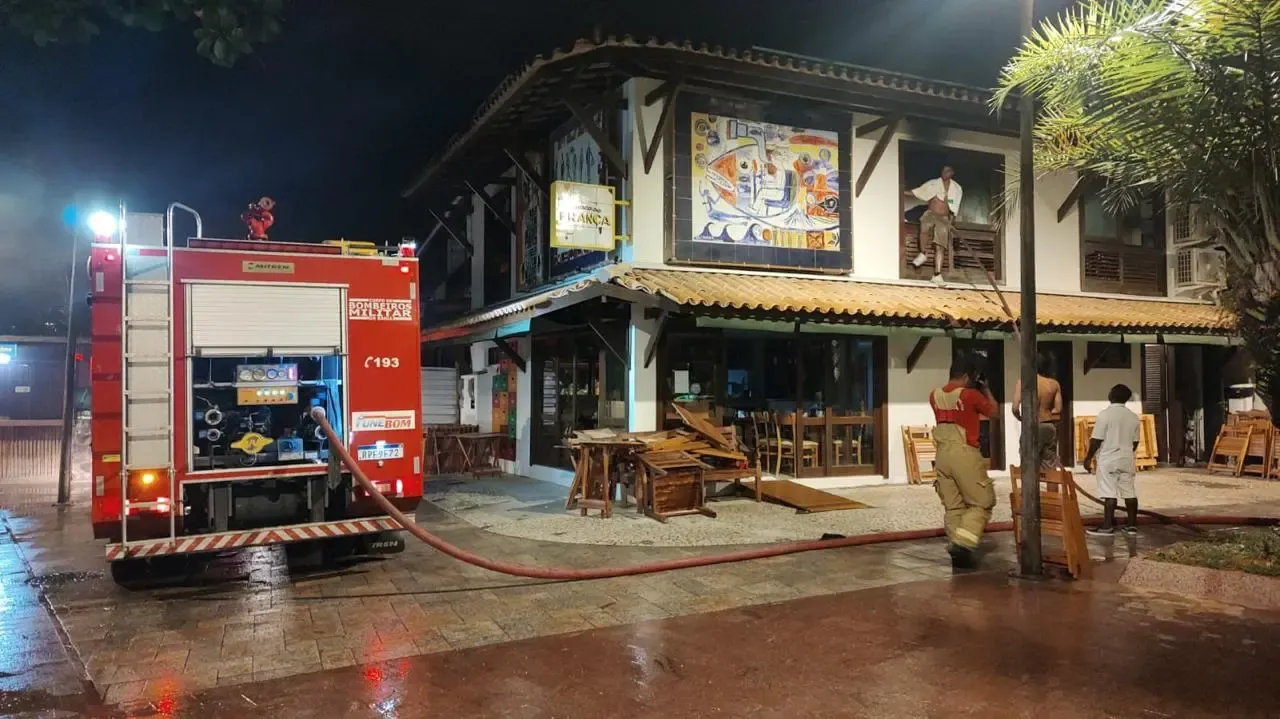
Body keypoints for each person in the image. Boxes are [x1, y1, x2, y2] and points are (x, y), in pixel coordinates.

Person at [930, 354, 999, 570]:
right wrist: (985, 388)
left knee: (953, 506)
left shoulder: (934, 395)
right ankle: (962, 543)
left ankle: (958, 553)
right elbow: (994, 412)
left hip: (941, 454)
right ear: (969, 376)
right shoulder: (971, 395)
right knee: (982, 502)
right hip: (965, 453)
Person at [1082, 384, 1141, 535]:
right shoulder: (1133, 417)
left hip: (1108, 457)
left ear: (1113, 396)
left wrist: (1088, 458)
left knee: (1109, 492)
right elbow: (1135, 442)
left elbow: (1096, 439)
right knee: (1129, 491)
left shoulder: (1105, 415)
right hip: (1127, 457)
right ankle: (1132, 525)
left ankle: (1107, 526)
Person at [907, 165, 963, 287]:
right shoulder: (933, 184)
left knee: (940, 246)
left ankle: (937, 275)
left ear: (952, 173)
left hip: (943, 218)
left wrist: (952, 221)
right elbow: (919, 191)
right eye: (943, 170)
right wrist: (902, 191)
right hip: (931, 213)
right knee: (924, 226)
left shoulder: (956, 188)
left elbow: (955, 207)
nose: (945, 173)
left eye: (947, 171)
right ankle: (923, 253)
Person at [1012, 353, 1064, 468]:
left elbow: (1015, 408)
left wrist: (1020, 418)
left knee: (1028, 464)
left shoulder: (1023, 382)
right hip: (1048, 426)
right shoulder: (1053, 384)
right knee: (1050, 465)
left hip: (1031, 427)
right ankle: (1052, 485)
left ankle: (1029, 487)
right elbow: (1058, 409)